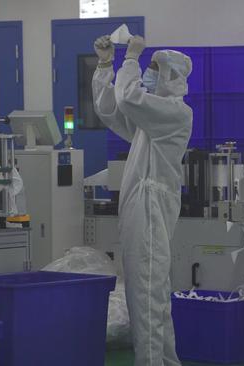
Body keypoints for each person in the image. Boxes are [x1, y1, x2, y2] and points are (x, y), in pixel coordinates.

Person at [92, 34, 192, 366]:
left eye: (154, 68)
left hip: (150, 208)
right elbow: (112, 109)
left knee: (146, 295)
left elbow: (129, 96)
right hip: (142, 206)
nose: (149, 74)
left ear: (170, 76)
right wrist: (106, 66)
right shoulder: (151, 120)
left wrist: (131, 59)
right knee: (153, 294)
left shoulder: (174, 113)